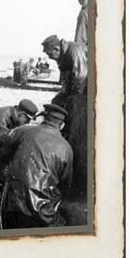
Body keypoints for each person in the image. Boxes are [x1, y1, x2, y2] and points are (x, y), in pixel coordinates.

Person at [0, 104, 73, 228]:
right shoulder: (66, 148)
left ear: (44, 118)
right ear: (62, 125)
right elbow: (65, 185)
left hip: (13, 204)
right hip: (42, 211)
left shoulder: (23, 130)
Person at [42, 34, 88, 203]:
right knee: (57, 101)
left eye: (49, 54)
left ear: (56, 48)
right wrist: (61, 97)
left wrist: (69, 100)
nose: (49, 58)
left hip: (86, 89)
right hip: (76, 88)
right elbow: (67, 82)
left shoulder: (74, 50)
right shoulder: (62, 57)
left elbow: (81, 77)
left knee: (74, 105)